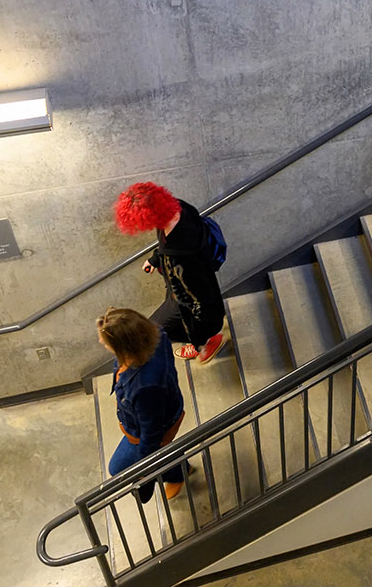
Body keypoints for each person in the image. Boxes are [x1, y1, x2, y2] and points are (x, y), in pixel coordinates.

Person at [114, 183, 230, 363]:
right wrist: (155, 260)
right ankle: (201, 339)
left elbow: (198, 297)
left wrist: (199, 333)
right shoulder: (177, 207)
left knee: (152, 330)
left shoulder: (182, 259)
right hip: (183, 284)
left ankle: (207, 341)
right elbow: (165, 245)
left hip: (186, 298)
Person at [97, 308, 189, 502]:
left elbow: (151, 432)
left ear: (125, 346)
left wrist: (143, 467)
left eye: (106, 342)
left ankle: (177, 473)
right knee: (142, 458)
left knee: (117, 468)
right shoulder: (154, 335)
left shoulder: (146, 387)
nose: (101, 343)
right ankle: (177, 466)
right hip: (163, 409)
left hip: (153, 426)